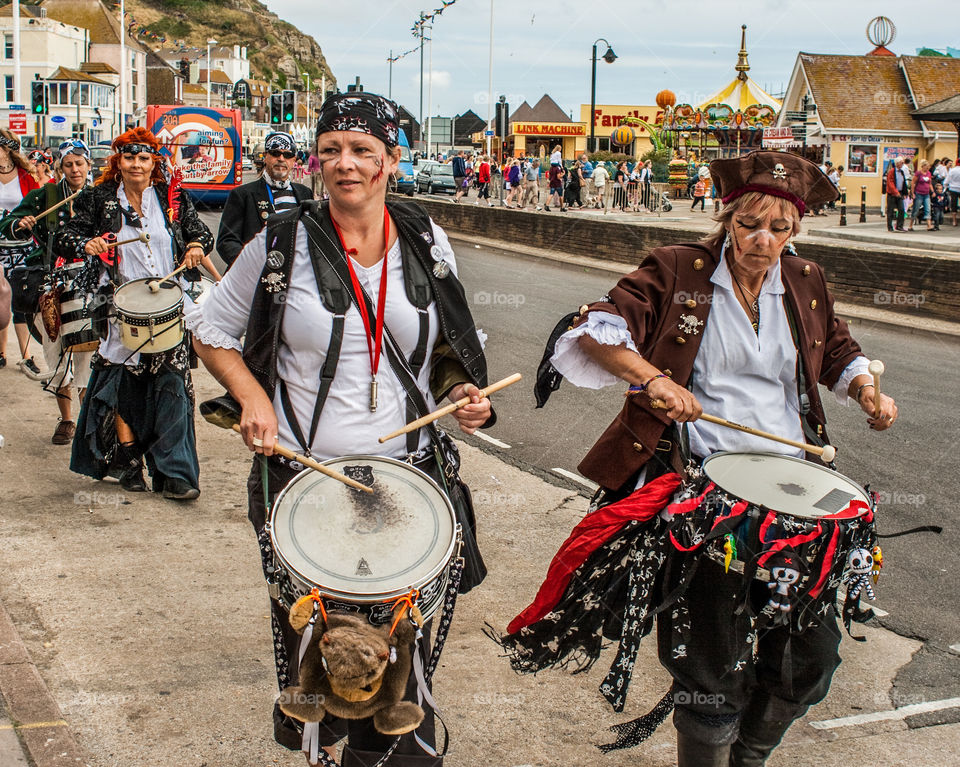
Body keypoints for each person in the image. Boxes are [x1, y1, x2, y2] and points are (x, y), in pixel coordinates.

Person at [507, 151, 897, 767]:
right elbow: (596, 327)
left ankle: (748, 757)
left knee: (810, 656)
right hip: (704, 493)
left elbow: (837, 350)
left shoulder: (805, 279)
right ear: (728, 219)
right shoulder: (677, 270)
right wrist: (649, 378)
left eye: (779, 229)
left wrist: (864, 389)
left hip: (793, 490)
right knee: (710, 661)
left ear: (796, 231)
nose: (762, 241)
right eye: (749, 225)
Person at [188, 90, 495, 766]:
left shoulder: (425, 239)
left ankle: (388, 749)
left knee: (394, 660)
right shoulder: (280, 244)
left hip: (407, 485)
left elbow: (448, 347)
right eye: (331, 151)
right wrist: (251, 399)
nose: (344, 164)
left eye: (361, 150)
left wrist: (464, 393)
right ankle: (324, 746)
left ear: (392, 158)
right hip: (305, 481)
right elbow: (208, 329)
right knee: (322, 659)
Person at [56, 127, 217, 500]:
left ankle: (174, 473)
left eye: (144, 158)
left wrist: (194, 246)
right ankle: (129, 463)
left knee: (172, 385)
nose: (136, 164)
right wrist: (87, 242)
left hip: (168, 302)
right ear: (118, 161)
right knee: (126, 389)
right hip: (119, 306)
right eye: (129, 157)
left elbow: (199, 233)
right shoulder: (100, 198)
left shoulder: (169, 196)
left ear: (154, 162)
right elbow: (67, 236)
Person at [0, 139, 96, 443]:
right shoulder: (46, 196)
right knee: (55, 350)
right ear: (60, 167)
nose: (75, 169)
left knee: (87, 353)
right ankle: (66, 419)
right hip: (50, 281)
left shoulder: (98, 197)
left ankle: (88, 423)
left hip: (89, 282)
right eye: (68, 164)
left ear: (88, 165)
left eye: (80, 163)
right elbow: (9, 224)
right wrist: (21, 223)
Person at [217, 131, 313, 270]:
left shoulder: (305, 193)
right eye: (275, 153)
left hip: (295, 276)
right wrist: (255, 267)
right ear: (266, 157)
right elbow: (226, 242)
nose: (281, 158)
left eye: (287, 155)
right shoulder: (242, 194)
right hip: (254, 277)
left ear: (293, 160)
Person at [0, 128, 41, 373]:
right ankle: (1, 350)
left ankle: (26, 355)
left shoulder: (26, 175)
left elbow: (37, 203)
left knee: (20, 298)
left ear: (6, 150)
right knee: (0, 298)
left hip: (23, 246)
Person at [909, 159, 933, 231]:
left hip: (926, 194)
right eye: (926, 166)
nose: (928, 168)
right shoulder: (918, 173)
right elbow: (913, 183)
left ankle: (929, 225)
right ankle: (910, 225)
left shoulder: (929, 173)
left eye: (928, 166)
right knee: (916, 209)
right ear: (923, 166)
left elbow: (929, 183)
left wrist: (933, 191)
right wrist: (912, 193)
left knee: (928, 209)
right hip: (919, 193)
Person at [885, 157, 907, 232]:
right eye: (901, 162)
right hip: (892, 193)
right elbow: (890, 183)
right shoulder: (892, 171)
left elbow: (904, 182)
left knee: (901, 209)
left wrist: (905, 193)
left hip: (899, 192)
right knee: (890, 211)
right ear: (897, 163)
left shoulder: (902, 171)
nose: (902, 164)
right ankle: (890, 226)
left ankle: (899, 225)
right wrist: (895, 192)